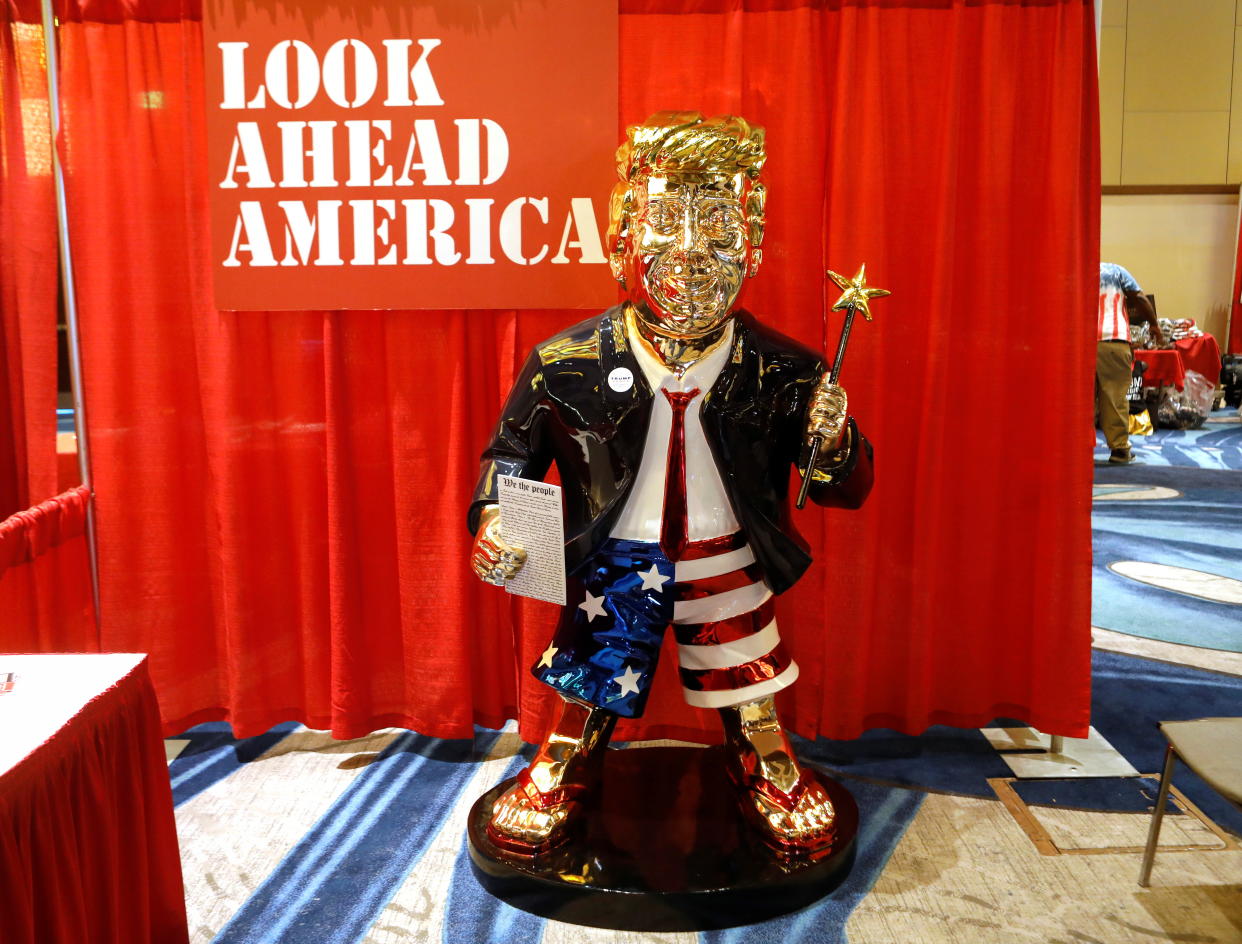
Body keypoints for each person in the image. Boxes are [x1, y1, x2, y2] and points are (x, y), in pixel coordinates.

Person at [467, 113, 874, 860]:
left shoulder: (786, 371)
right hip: (617, 557)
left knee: (742, 662)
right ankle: (565, 753)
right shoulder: (565, 362)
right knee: (591, 664)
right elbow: (510, 453)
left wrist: (833, 443)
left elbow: (843, 487)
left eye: (716, 224)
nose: (688, 252)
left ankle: (762, 749)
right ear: (623, 239)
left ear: (750, 244)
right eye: (663, 222)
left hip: (728, 557)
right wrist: (497, 519)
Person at [1097, 262, 1163, 464]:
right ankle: (1119, 450)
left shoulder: (1076, 269)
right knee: (1115, 398)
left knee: (1078, 400)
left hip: (1077, 343)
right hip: (1112, 340)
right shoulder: (1115, 271)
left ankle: (1074, 450)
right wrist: (1154, 324)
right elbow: (1139, 297)